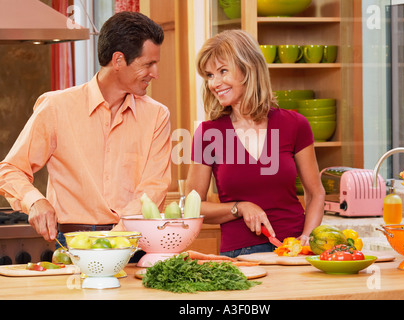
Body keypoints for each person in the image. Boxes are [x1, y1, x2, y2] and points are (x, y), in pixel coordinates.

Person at [0, 12, 171, 246]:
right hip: (71, 244)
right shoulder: (57, 107)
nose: (156, 74)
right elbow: (10, 169)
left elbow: (154, 188)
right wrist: (35, 201)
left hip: (133, 243)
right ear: (118, 60)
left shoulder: (157, 116)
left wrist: (115, 242)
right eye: (148, 64)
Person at [186, 30, 325, 258]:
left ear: (248, 69)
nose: (215, 83)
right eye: (210, 75)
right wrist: (239, 207)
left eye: (222, 71)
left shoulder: (295, 124)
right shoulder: (208, 134)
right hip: (240, 255)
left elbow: (316, 193)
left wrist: (307, 238)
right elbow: (193, 207)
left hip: (292, 250)